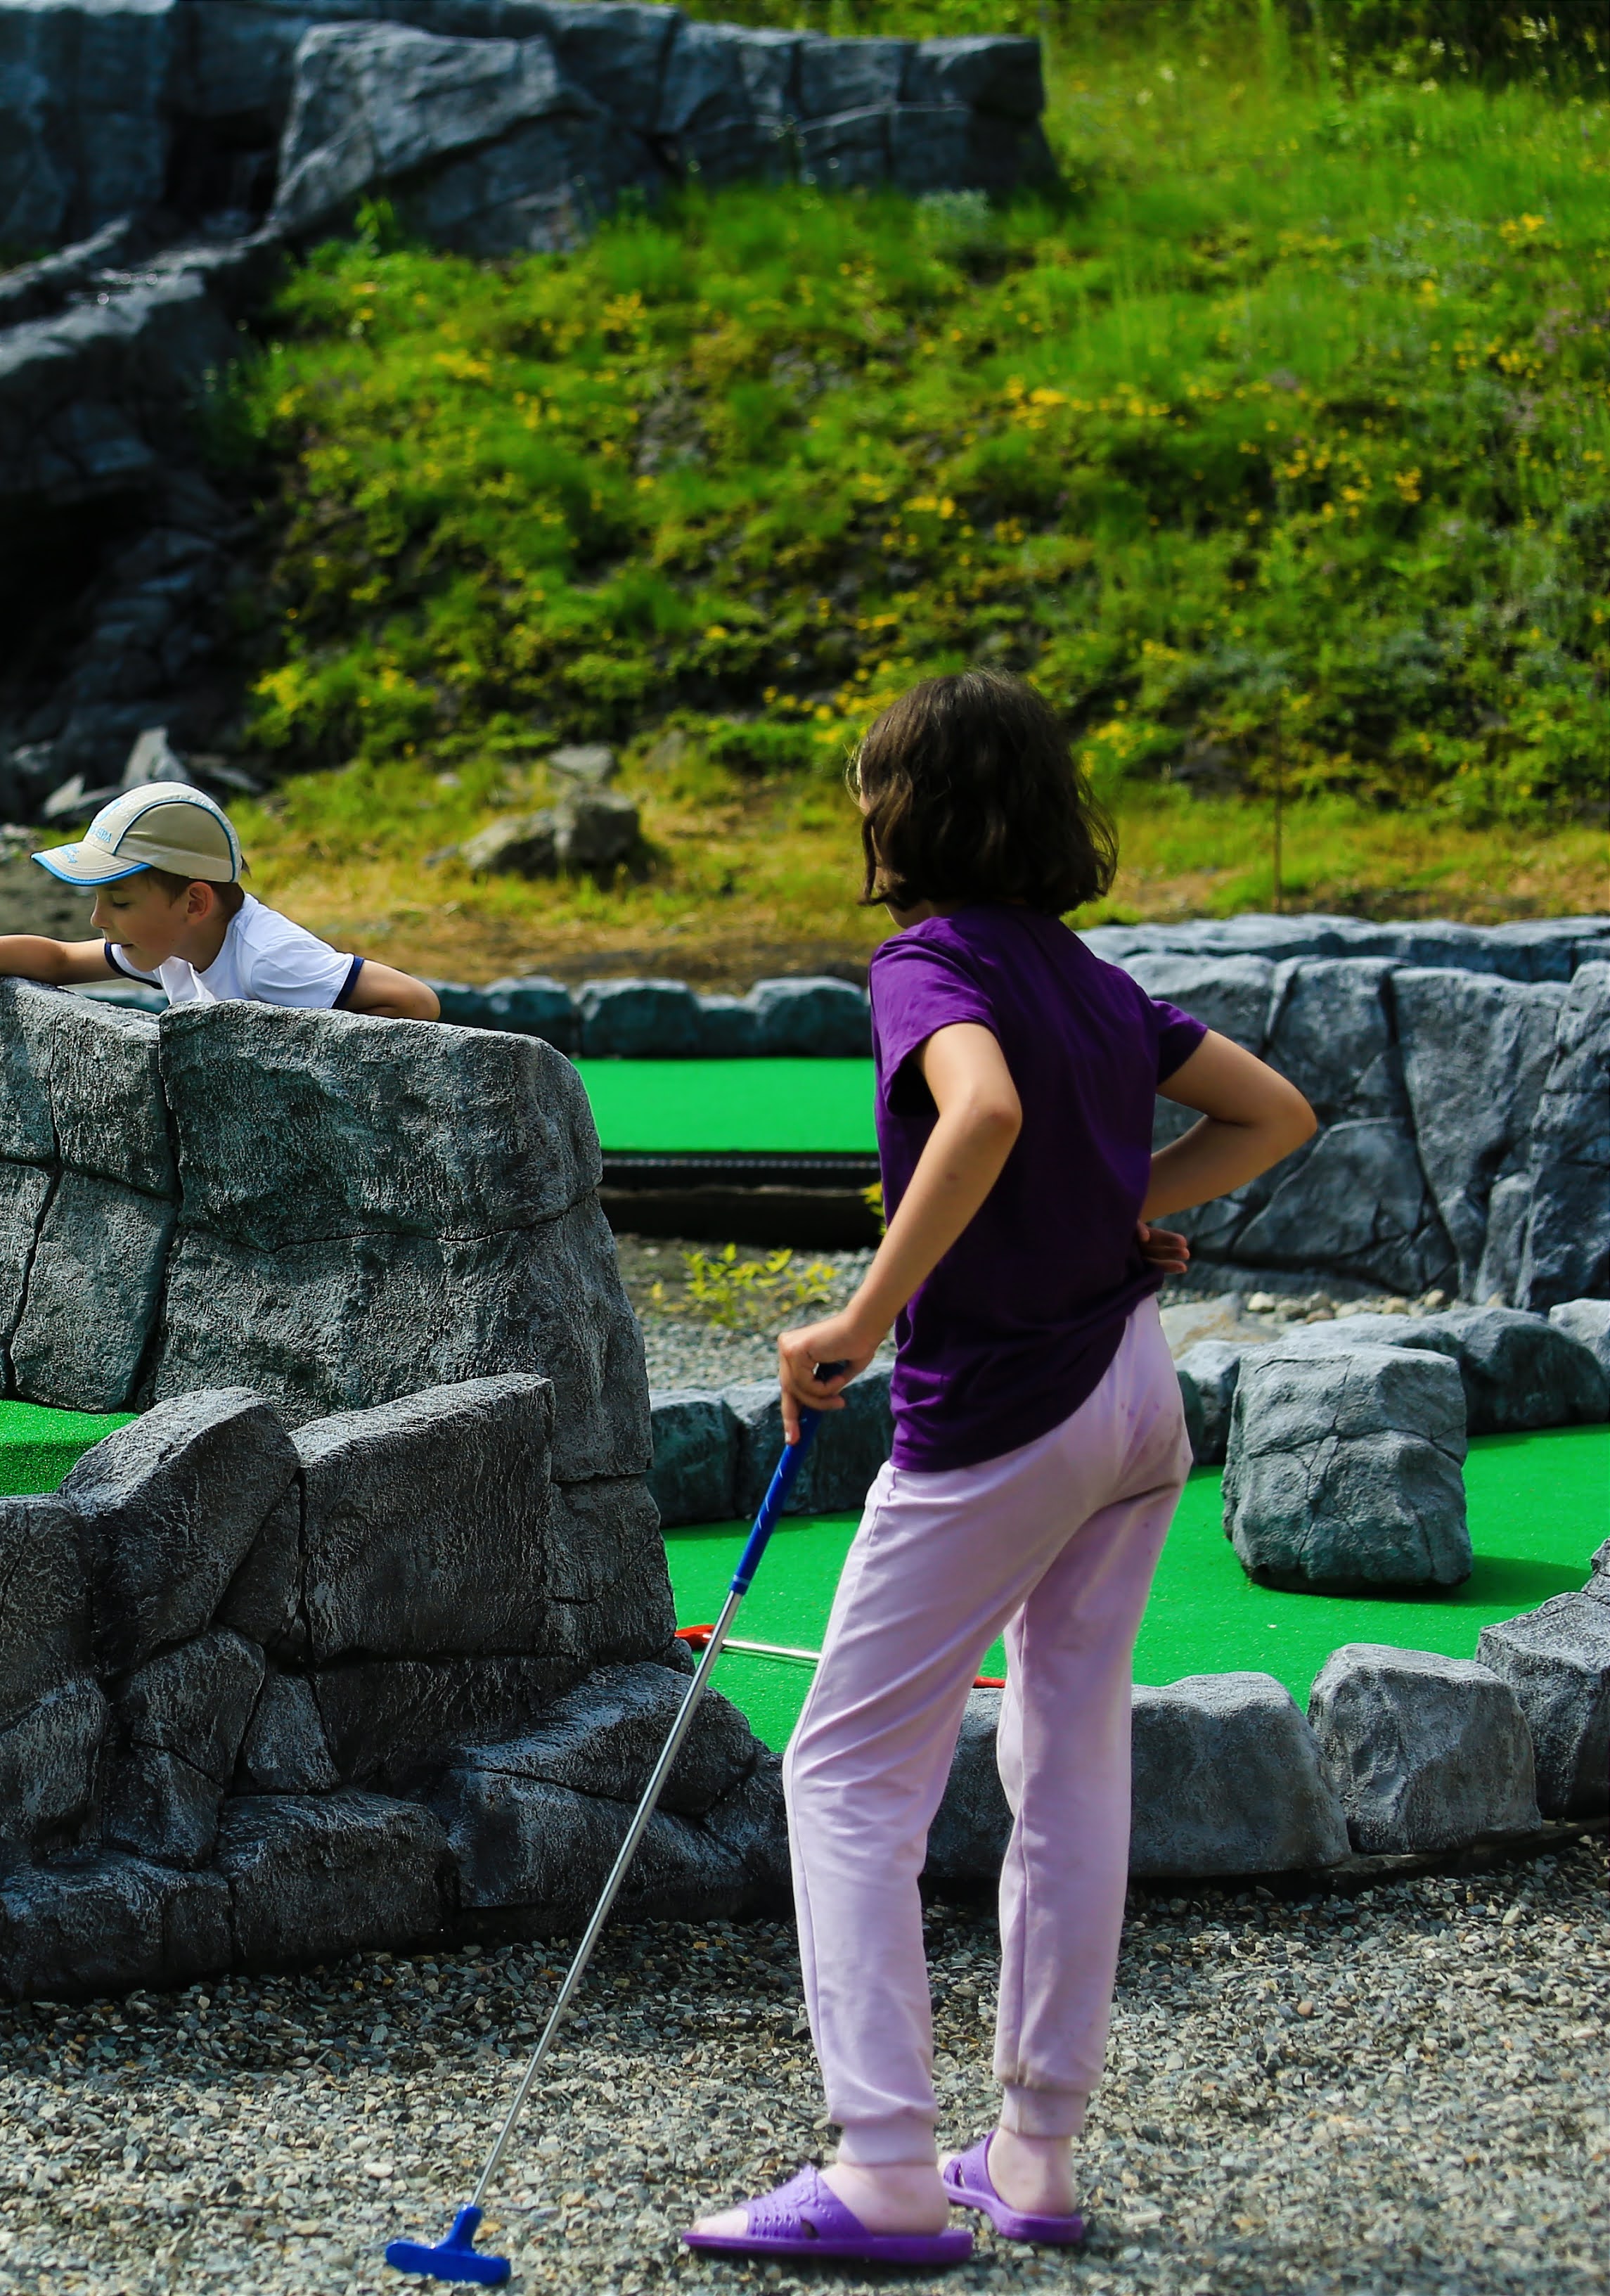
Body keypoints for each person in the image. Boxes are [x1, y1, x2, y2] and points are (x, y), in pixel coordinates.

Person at [682, 673, 1314, 2264]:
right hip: (1132, 1398)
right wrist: (1120, 1208)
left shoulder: (928, 962)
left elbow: (978, 1114)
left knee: (841, 1771)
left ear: (902, 812)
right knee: (1065, 1753)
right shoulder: (1091, 980)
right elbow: (1268, 1114)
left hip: (1005, 1411)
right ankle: (1029, 2155)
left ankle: (885, 2170)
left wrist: (853, 1320)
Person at [0, 781, 441, 1022]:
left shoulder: (268, 960)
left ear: (194, 903)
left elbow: (416, 1002)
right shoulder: (173, 947)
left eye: (120, 902)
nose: (98, 919)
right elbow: (60, 960)